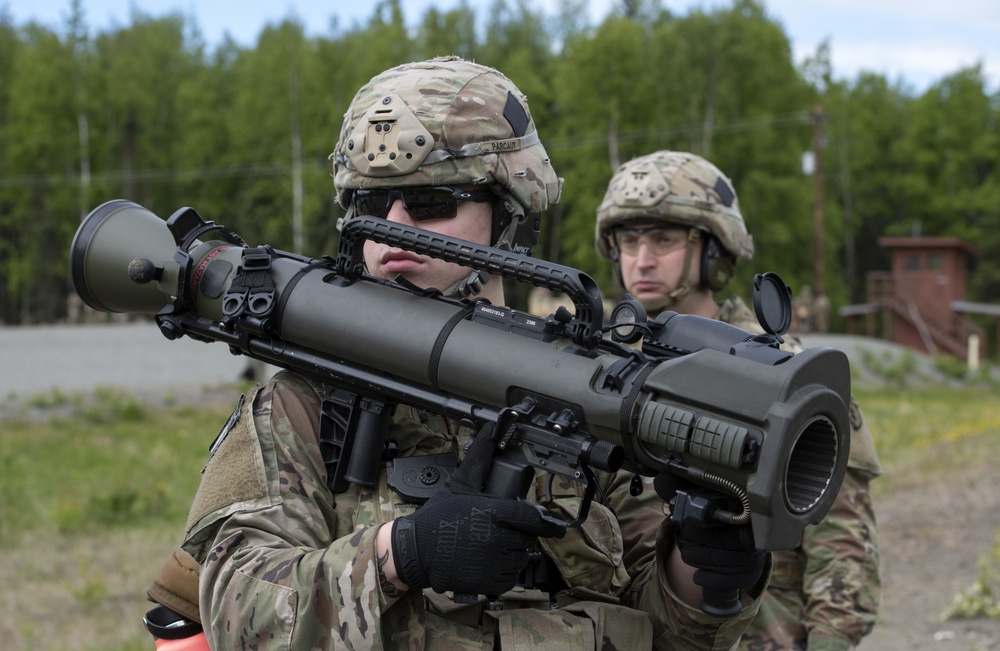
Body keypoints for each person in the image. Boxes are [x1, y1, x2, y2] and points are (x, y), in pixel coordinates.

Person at [176, 58, 771, 650]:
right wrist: (401, 554)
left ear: (508, 212)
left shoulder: (586, 393)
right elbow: (235, 611)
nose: (392, 231)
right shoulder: (301, 404)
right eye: (371, 206)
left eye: (431, 201)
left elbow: (671, 632)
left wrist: (706, 569)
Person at [594, 150, 882, 650]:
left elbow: (843, 547)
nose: (641, 259)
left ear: (713, 251)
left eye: (663, 239)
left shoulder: (784, 375)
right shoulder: (599, 360)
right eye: (629, 239)